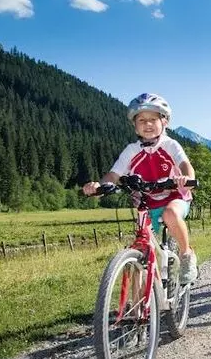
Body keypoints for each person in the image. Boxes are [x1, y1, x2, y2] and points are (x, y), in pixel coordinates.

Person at [83, 93, 198, 285]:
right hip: (147, 204)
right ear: (134, 125)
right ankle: (137, 311)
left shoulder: (170, 145)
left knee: (170, 214)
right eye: (142, 120)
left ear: (165, 122)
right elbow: (114, 175)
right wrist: (99, 186)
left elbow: (185, 164)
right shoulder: (131, 150)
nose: (148, 124)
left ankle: (186, 254)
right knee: (141, 252)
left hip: (175, 197)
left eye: (153, 119)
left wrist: (187, 178)